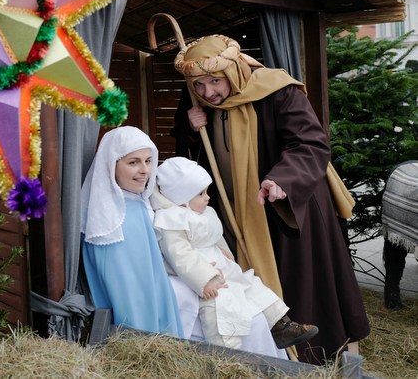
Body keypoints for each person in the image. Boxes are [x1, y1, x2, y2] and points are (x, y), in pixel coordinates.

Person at [171, 34, 369, 364]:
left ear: (233, 71)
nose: (208, 93)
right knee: (248, 281)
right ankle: (263, 349)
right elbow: (188, 153)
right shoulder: (194, 98)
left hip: (285, 207)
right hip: (234, 213)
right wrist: (191, 130)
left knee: (298, 284)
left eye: (214, 82)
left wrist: (282, 178)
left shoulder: (277, 89)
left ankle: (312, 355)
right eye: (199, 85)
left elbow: (311, 145)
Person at [153, 157, 317, 355]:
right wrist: (204, 280)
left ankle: (281, 326)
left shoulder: (206, 212)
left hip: (224, 267)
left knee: (254, 287)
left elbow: (215, 235)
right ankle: (227, 351)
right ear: (183, 197)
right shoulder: (172, 219)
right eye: (201, 193)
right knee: (220, 309)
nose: (208, 198)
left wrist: (226, 253)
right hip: (207, 274)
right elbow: (180, 255)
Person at [80, 126, 183, 337]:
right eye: (133, 162)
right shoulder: (108, 221)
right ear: (111, 166)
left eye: (148, 160)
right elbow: (128, 295)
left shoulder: (135, 204)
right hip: (138, 335)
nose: (145, 170)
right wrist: (143, 342)